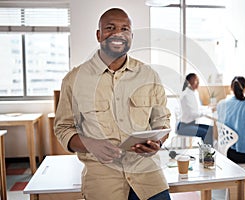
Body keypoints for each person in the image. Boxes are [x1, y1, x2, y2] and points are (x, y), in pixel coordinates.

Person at [54, 8, 171, 200]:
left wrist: (157, 142)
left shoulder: (149, 75)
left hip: (148, 177)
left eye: (124, 29)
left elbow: (162, 120)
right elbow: (63, 128)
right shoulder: (74, 79)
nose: (118, 33)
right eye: (110, 27)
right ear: (99, 35)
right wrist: (89, 144)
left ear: (131, 36)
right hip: (103, 181)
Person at [176, 73, 213, 144]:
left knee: (211, 129)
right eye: (196, 81)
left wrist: (208, 108)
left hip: (191, 124)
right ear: (189, 82)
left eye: (198, 80)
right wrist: (209, 110)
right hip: (184, 127)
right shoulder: (187, 95)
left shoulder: (193, 92)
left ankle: (207, 151)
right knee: (207, 132)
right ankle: (207, 153)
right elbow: (193, 114)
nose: (198, 83)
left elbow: (197, 108)